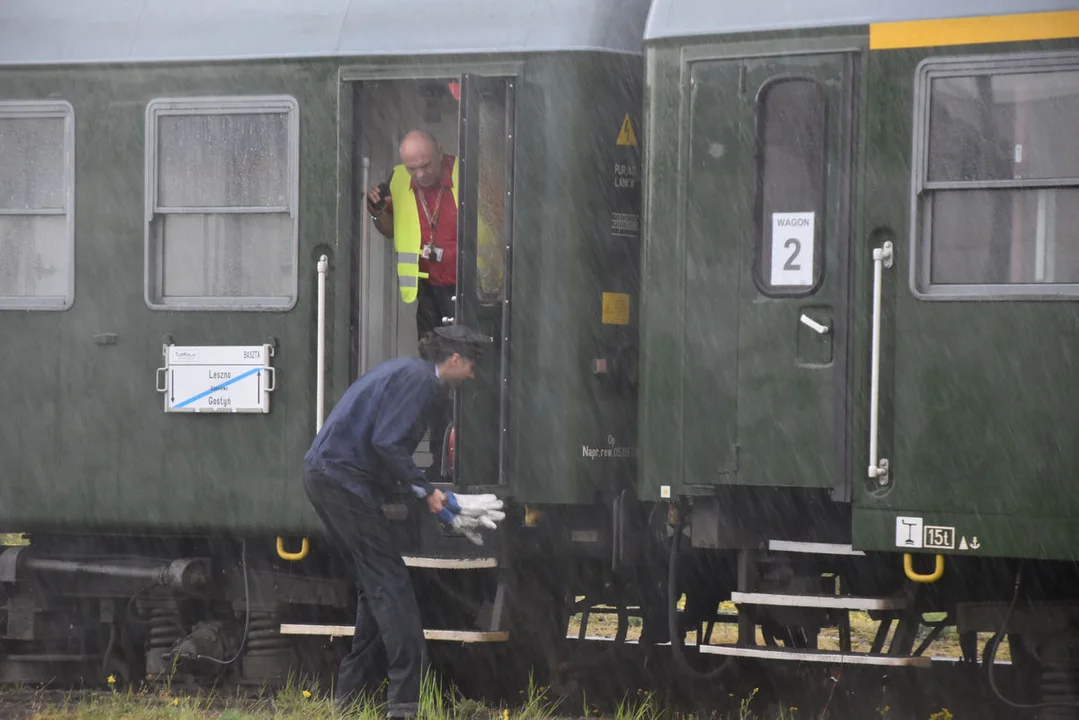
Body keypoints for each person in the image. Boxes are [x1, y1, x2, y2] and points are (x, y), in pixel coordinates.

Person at [301, 324, 498, 717]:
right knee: (392, 584)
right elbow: (386, 442)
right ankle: (405, 703)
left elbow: (380, 441)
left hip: (330, 477)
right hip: (343, 482)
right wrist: (428, 491)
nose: (473, 375)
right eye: (472, 366)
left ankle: (352, 697)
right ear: (455, 360)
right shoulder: (422, 382)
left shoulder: (409, 373)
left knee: (373, 586)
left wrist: (422, 492)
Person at [367, 130, 459, 481]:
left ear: (440, 152)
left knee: (464, 379)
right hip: (429, 294)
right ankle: (438, 459)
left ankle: (463, 458)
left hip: (470, 289)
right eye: (412, 168)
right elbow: (389, 228)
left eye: (425, 166)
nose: (420, 175)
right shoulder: (396, 179)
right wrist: (375, 212)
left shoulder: (465, 172)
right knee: (434, 380)